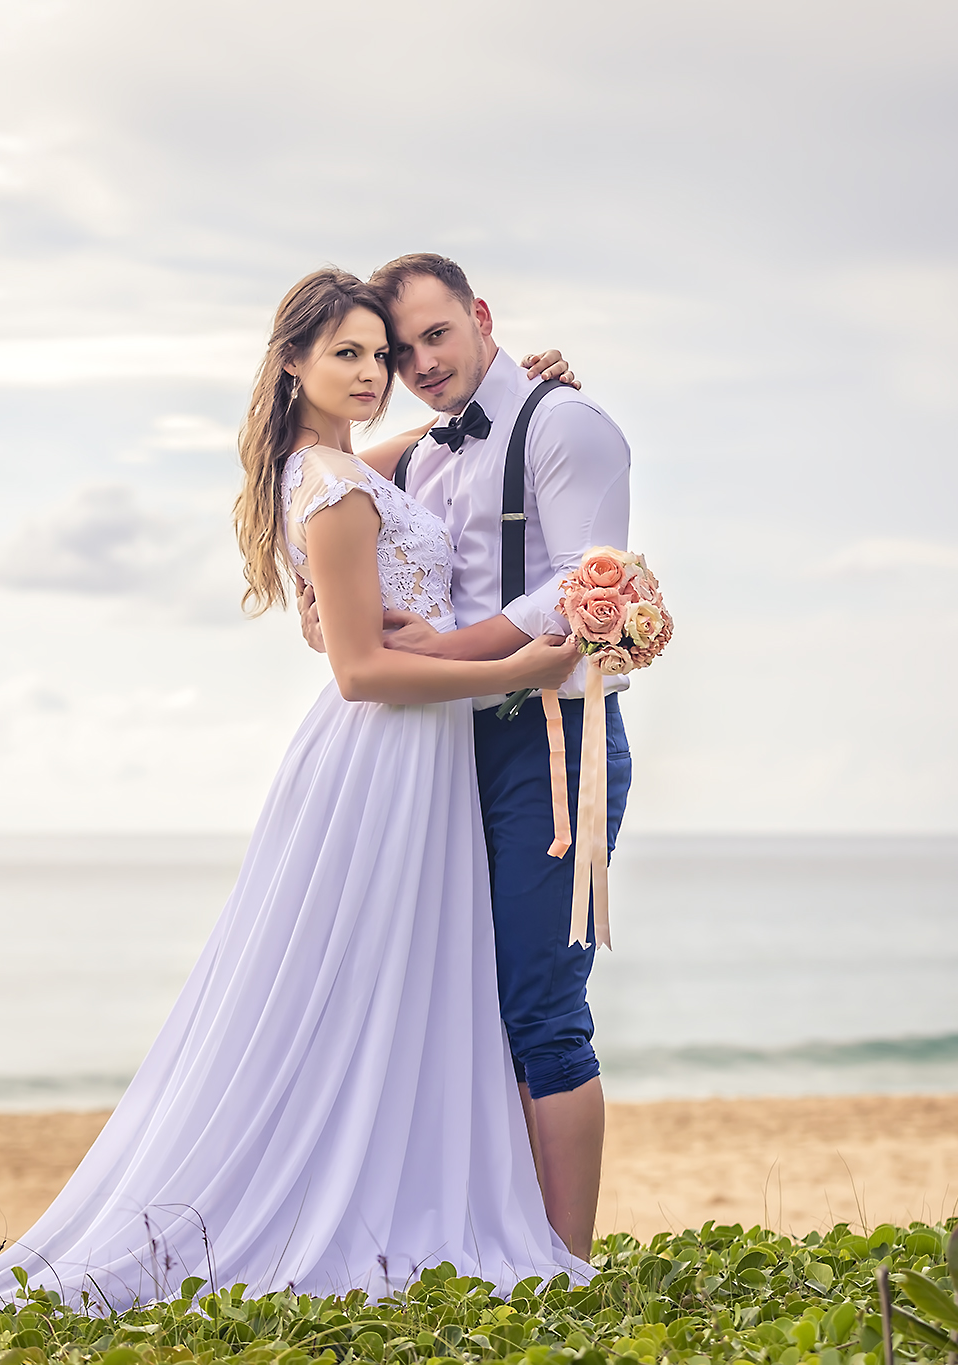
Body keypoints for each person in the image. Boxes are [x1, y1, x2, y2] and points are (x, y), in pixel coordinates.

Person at [0, 269, 589, 1315]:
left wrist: (524, 393)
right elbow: (355, 669)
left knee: (397, 984)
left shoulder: (347, 466)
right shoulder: (333, 487)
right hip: (387, 746)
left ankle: (380, 1182)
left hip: (420, 753)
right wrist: (510, 669)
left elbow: (446, 441)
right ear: (293, 366)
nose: (373, 374)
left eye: (381, 355)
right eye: (347, 354)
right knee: (350, 981)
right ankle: (330, 1193)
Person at [299, 254, 632, 1261]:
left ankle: (564, 1263)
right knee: (455, 1000)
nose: (418, 362)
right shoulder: (428, 457)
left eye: (436, 335)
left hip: (550, 740)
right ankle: (498, 1238)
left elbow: (584, 585)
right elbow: (340, 519)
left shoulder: (565, 425)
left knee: (539, 1007)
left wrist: (451, 648)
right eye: (399, 353)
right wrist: (325, 618)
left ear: (478, 316)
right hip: (444, 753)